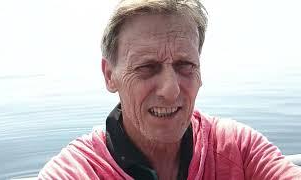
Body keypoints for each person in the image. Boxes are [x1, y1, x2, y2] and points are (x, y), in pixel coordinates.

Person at [38, 0, 301, 179]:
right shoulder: (76, 172)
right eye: (147, 67)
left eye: (185, 65)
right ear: (110, 76)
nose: (171, 90)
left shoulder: (237, 149)